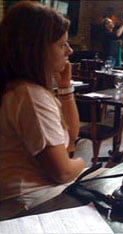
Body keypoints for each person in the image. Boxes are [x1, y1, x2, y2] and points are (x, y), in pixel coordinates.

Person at [0, 1, 86, 219]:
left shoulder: (20, 89)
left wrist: (65, 87)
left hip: (32, 200)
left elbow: (72, 136)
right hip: (33, 206)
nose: (70, 50)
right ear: (35, 49)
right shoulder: (29, 95)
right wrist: (84, 163)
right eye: (61, 45)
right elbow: (63, 171)